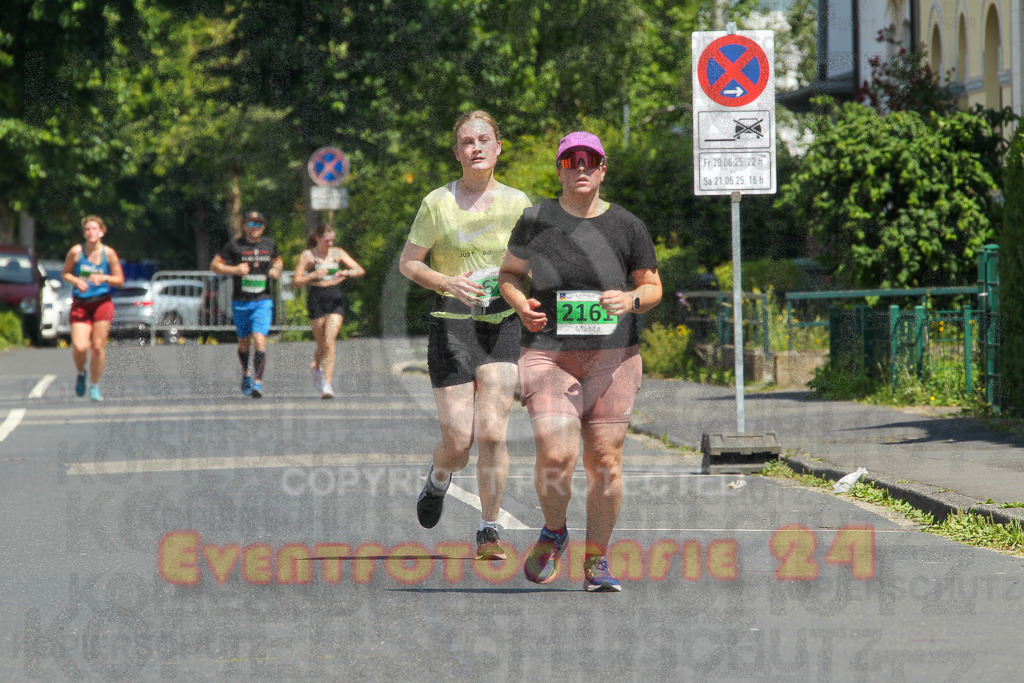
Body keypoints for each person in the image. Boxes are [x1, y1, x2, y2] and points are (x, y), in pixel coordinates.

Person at [499, 131, 662, 592]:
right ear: (560, 170)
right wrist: (518, 303)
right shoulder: (535, 222)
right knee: (556, 454)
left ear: (604, 168)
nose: (581, 168)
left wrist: (629, 300)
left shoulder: (627, 226)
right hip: (548, 354)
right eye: (571, 161)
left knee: (605, 461)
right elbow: (509, 274)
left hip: (614, 358)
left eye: (590, 161)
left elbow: (652, 288)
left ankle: (596, 561)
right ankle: (554, 531)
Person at [399, 110, 532, 560]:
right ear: (457, 153)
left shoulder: (517, 202)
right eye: (466, 142)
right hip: (452, 326)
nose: (476, 147)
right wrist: (447, 281)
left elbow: (532, 261)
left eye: (484, 139)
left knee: (493, 434)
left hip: (501, 324)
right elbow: (409, 263)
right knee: (459, 441)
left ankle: (488, 529)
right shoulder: (438, 202)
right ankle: (439, 476)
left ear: (498, 148)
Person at [210, 210, 284, 398]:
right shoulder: (234, 245)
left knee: (259, 339)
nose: (254, 228)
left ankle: (257, 383)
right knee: (244, 342)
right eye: (250, 224)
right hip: (241, 302)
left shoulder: (269, 244)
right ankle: (246, 373)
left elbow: (278, 260)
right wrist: (234, 269)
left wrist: (276, 269)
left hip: (262, 300)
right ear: (244, 226)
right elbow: (214, 266)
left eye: (258, 224)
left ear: (263, 227)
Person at [292, 222, 365, 398]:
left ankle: (327, 384)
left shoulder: (337, 253)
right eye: (327, 241)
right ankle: (316, 366)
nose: (330, 244)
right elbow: (296, 281)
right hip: (316, 297)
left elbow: (359, 269)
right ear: (318, 239)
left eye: (332, 240)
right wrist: (312, 275)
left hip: (334, 297)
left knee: (330, 342)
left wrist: (346, 273)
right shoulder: (308, 255)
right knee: (322, 344)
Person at [61, 215, 125, 402]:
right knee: (80, 347)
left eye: (94, 229)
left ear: (102, 232)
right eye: (87, 229)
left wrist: (104, 278)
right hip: (81, 304)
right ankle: (81, 373)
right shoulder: (76, 252)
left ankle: (95, 385)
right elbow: (65, 273)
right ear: (84, 233)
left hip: (102, 303)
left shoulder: (109, 253)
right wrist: (76, 280)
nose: (91, 232)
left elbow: (119, 279)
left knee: (97, 347)